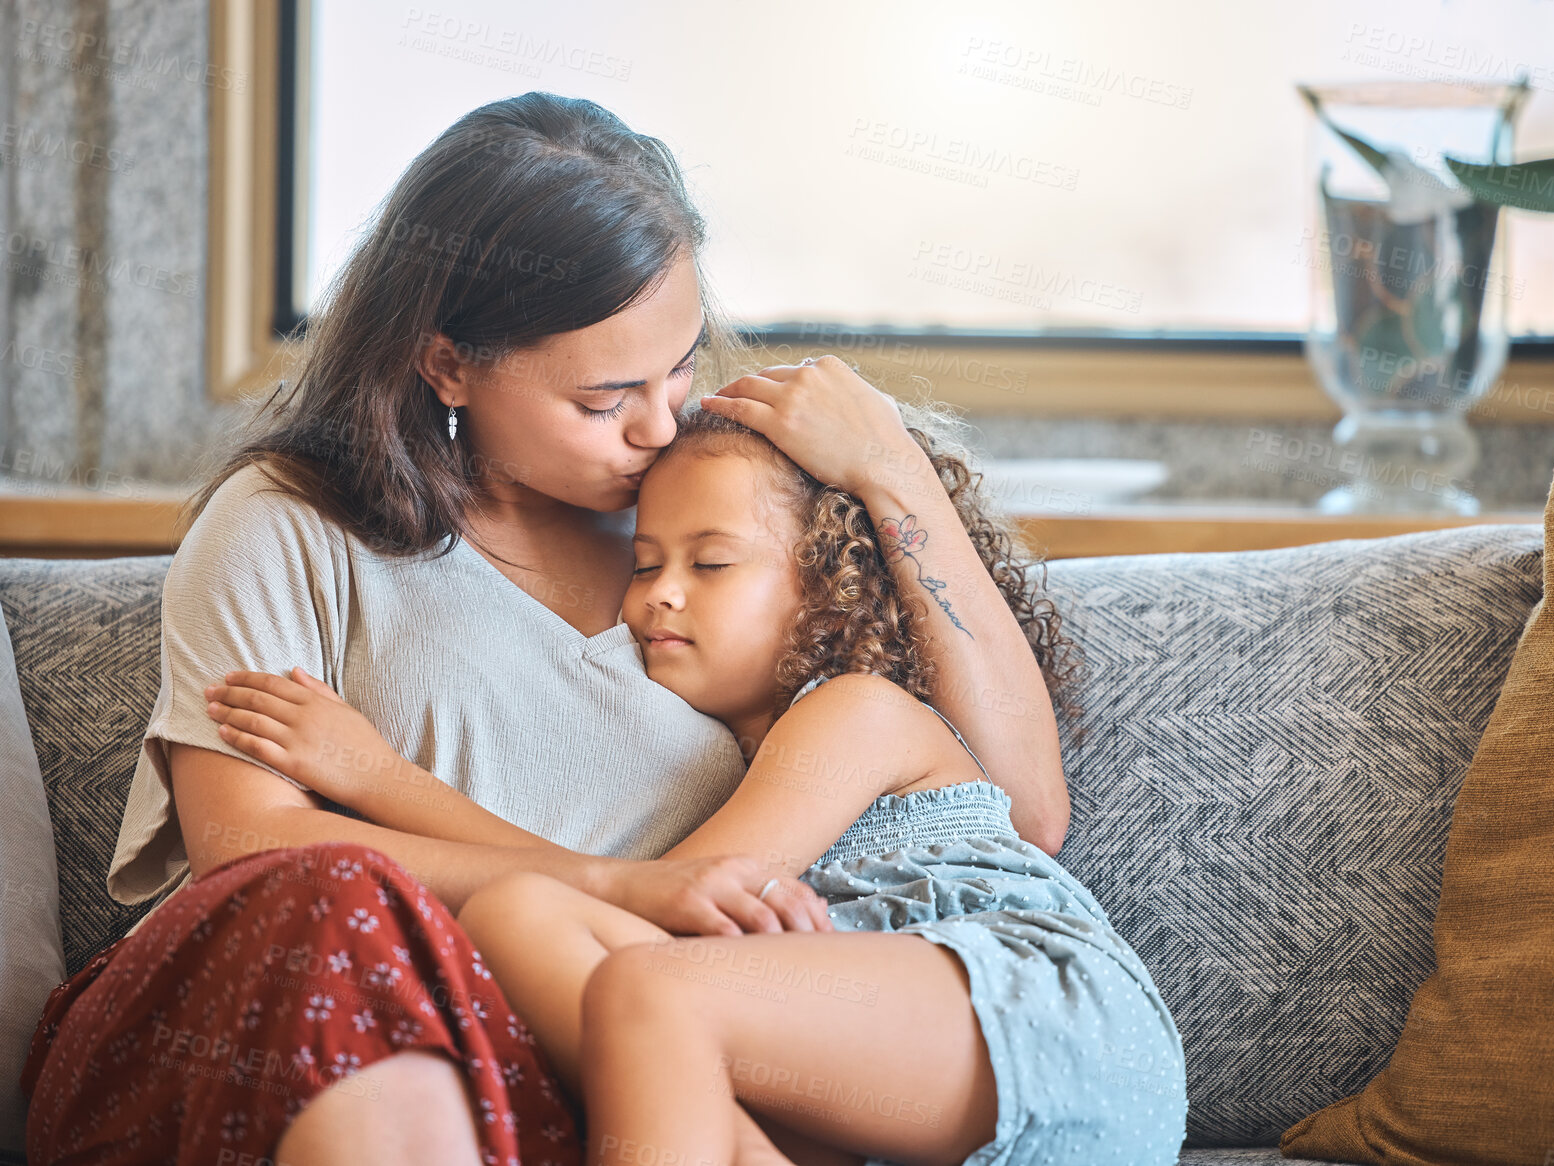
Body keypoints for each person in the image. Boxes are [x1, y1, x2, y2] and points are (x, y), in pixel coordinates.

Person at [17, 91, 1070, 1166]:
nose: (659, 423)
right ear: (447, 364)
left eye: (679, 365)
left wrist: (895, 472)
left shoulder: (714, 517)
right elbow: (244, 846)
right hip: (293, 1002)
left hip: (596, 1052)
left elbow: (1017, 806)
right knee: (338, 898)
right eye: (606, 396)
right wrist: (615, 885)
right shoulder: (289, 525)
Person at [200, 403, 1191, 1166]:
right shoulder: (732, 759)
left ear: (831, 579)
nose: (658, 592)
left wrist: (380, 777)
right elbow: (598, 890)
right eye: (645, 562)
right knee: (517, 916)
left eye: (711, 562)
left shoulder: (856, 710)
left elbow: (667, 904)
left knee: (644, 984)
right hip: (876, 1075)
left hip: (1048, 1021)